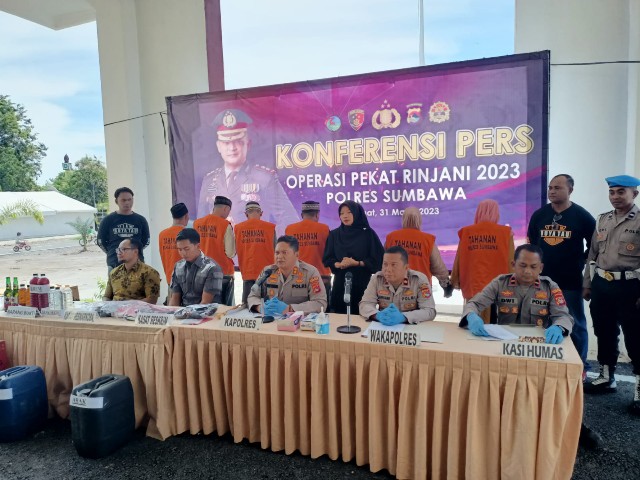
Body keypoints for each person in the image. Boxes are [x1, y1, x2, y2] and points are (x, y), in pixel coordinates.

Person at [582, 175, 640, 416]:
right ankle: (607, 377)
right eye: (612, 192)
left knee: (636, 337)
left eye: (621, 192)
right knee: (604, 331)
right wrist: (587, 283)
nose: (615, 196)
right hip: (602, 285)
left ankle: (639, 389)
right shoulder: (602, 220)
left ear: (634, 194)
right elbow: (592, 255)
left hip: (631, 287)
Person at [527, 174, 595, 377]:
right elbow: (532, 245)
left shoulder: (582, 216)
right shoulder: (539, 215)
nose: (552, 191)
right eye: (550, 187)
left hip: (569, 281)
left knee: (575, 323)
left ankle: (580, 367)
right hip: (542, 281)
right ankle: (547, 364)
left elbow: (596, 245)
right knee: (541, 322)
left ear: (570, 190)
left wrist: (582, 260)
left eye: (557, 188)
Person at [196, 108, 298, 234]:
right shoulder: (209, 181)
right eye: (226, 143)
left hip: (253, 246)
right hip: (219, 247)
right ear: (219, 146)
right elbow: (201, 224)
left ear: (248, 144)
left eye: (238, 142)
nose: (232, 148)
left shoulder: (264, 179)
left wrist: (267, 239)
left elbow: (289, 219)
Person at [460, 244, 573, 339]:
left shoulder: (549, 287)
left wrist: (559, 327)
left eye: (533, 267)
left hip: (536, 344)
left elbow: (563, 316)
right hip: (504, 342)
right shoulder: (500, 283)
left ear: (541, 268)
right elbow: (474, 304)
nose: (527, 271)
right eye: (523, 265)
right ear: (513, 265)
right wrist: (471, 316)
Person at [451, 199, 514, 323]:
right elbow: (511, 261)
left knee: (472, 321)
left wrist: (454, 280)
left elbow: (459, 259)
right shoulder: (506, 233)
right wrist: (513, 284)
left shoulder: (466, 232)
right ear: (496, 213)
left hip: (473, 286)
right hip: (497, 287)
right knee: (493, 325)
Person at [323, 200, 384, 315]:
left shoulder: (368, 234)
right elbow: (328, 259)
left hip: (362, 284)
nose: (345, 216)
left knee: (362, 316)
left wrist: (357, 263)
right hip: (340, 285)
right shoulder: (334, 235)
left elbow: (378, 260)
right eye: (342, 213)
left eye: (349, 212)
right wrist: (338, 264)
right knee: (339, 319)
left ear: (356, 213)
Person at [247, 235, 327, 315]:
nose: (279, 256)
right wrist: (260, 307)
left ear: (296, 255)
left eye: (284, 252)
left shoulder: (310, 272)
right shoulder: (268, 272)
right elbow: (252, 296)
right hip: (272, 319)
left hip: (299, 320)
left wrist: (290, 308)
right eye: (277, 253)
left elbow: (320, 303)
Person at [384, 207, 452, 295]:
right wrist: (446, 285)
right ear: (419, 220)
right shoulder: (427, 240)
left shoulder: (391, 237)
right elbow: (438, 267)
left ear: (403, 219)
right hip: (421, 289)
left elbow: (383, 263)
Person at [359, 245, 436, 324]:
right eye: (385, 264)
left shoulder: (419, 279)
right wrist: (377, 315)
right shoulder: (377, 279)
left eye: (394, 265)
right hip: (385, 326)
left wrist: (404, 317)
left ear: (406, 268)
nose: (388, 269)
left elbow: (429, 311)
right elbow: (365, 304)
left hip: (410, 327)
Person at [285, 200, 332, 304]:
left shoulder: (289, 229)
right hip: (321, 277)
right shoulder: (324, 229)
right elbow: (331, 252)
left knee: (298, 309)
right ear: (317, 215)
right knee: (321, 309)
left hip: (296, 278)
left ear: (302, 215)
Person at [193, 196, 236, 306]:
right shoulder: (225, 225)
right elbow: (230, 252)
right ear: (226, 208)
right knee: (223, 310)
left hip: (200, 273)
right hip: (223, 273)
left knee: (202, 308)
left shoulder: (197, 223)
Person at [97, 187, 150, 274]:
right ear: (116, 201)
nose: (127, 203)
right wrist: (114, 251)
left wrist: (132, 251)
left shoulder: (141, 220)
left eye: (129, 200)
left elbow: (146, 241)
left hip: (137, 264)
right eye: (123, 200)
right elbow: (100, 241)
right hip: (115, 264)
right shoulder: (108, 220)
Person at [234, 201, 277, 304]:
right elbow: (276, 250)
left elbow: (233, 250)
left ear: (246, 214)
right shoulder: (270, 228)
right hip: (267, 275)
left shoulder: (238, 228)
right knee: (268, 308)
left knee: (247, 307)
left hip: (247, 273)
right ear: (261, 213)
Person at [168, 228, 223, 306]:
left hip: (206, 311)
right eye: (180, 249)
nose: (183, 253)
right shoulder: (178, 266)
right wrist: (170, 312)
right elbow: (175, 299)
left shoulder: (212, 268)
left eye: (186, 249)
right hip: (184, 311)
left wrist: (187, 313)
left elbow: (205, 303)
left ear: (198, 246)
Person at [103, 238, 160, 304]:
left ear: (135, 252)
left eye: (123, 249)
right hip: (114, 309)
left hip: (137, 310)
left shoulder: (150, 273)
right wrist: (107, 306)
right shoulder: (114, 272)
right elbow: (106, 297)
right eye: (118, 250)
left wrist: (125, 306)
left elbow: (151, 301)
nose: (119, 252)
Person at [158, 202, 189, 285]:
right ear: (186, 216)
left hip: (170, 280)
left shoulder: (162, 235)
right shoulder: (188, 234)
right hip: (186, 281)